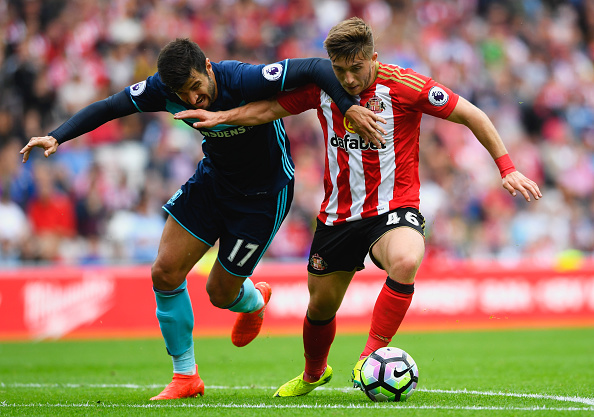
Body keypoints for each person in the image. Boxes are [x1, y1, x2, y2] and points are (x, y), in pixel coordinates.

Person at [174, 17, 542, 398]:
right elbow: (266, 110)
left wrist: (507, 168)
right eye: (339, 70)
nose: (348, 79)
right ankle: (314, 373)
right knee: (320, 307)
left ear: (373, 58)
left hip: (393, 209)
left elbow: (473, 114)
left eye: (356, 68)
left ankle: (369, 357)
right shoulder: (323, 89)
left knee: (404, 260)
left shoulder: (405, 85)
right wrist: (221, 117)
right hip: (338, 215)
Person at [19, 38, 382, 400]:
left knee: (219, 294)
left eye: (196, 86)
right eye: (182, 93)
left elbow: (316, 68)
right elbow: (110, 106)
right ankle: (185, 376)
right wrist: (57, 136)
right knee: (164, 272)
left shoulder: (244, 79)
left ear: (208, 67)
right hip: (212, 183)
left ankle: (253, 299)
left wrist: (348, 105)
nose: (192, 99)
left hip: (263, 197)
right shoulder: (161, 89)